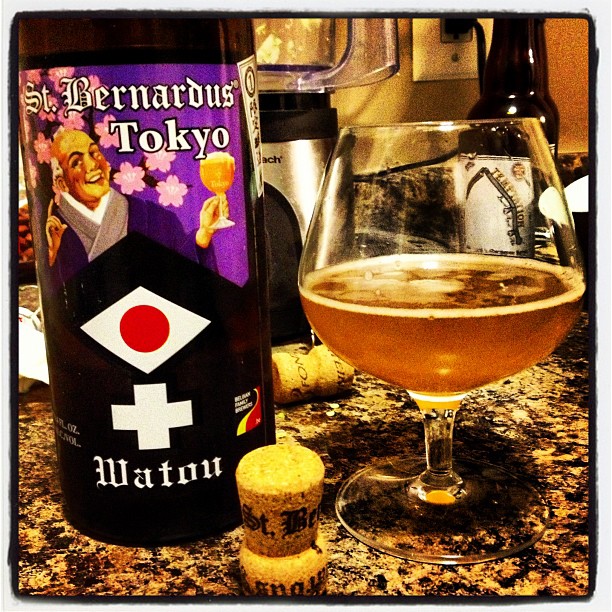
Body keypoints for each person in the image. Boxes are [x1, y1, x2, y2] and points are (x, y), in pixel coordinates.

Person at [45, 128, 225, 287]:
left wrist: (203, 234)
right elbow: (63, 298)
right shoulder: (56, 233)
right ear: (62, 183)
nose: (92, 165)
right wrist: (52, 256)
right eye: (76, 162)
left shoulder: (155, 217)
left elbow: (186, 277)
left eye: (94, 153)